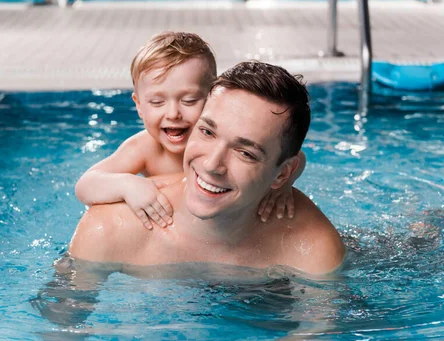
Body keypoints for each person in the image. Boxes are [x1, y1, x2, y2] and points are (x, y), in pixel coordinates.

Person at [71, 60, 344, 276]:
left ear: (283, 174)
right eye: (207, 132)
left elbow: (314, 338)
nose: (212, 164)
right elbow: (61, 332)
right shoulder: (109, 231)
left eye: (245, 153)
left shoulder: (311, 249)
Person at [75, 32, 306, 230]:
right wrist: (128, 186)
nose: (173, 113)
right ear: (138, 106)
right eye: (157, 103)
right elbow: (86, 184)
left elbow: (295, 159)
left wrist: (282, 186)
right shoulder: (145, 147)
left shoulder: (226, 142)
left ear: (212, 98)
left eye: (189, 100)